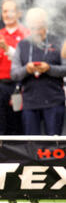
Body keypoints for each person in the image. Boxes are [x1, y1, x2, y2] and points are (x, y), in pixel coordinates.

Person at [10, 7, 66, 135]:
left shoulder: (58, 41)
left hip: (54, 101)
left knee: (54, 144)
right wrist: (27, 69)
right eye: (33, 27)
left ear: (46, 24)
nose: (37, 31)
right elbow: (14, 74)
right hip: (30, 102)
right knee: (31, 143)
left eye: (40, 26)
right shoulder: (22, 44)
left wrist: (49, 68)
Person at [0, 0, 30, 135]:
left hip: (20, 84)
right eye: (4, 11)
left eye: (11, 11)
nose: (7, 15)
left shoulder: (26, 35)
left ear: (19, 13)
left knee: (18, 124)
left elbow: (26, 60)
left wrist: (7, 48)